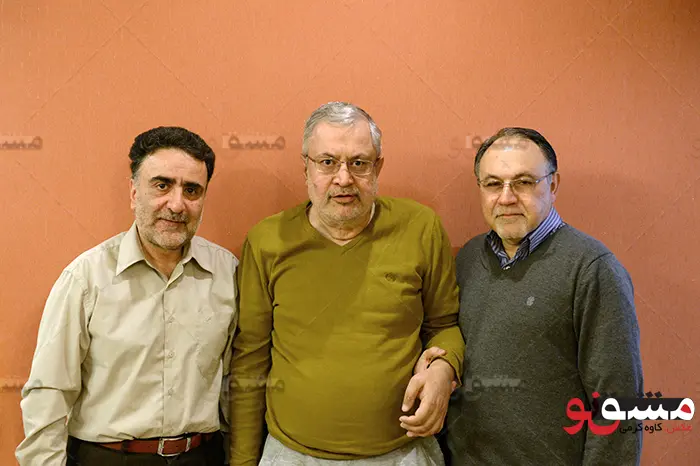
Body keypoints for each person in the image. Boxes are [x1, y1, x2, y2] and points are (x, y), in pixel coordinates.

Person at [229, 102, 465, 465]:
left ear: (378, 167)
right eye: (327, 162)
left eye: (358, 163)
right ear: (306, 168)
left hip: (403, 453)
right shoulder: (267, 241)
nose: (343, 179)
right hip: (292, 454)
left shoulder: (421, 227)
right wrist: (243, 462)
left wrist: (444, 370)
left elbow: (445, 326)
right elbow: (251, 360)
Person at [16, 126, 238, 466]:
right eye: (162, 185)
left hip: (202, 457)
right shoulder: (86, 278)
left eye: (192, 190)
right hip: (107, 458)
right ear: (134, 193)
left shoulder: (227, 273)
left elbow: (234, 386)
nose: (176, 204)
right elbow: (48, 392)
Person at [443, 127, 643, 465]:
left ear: (553, 185)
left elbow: (619, 402)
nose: (506, 197)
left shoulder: (592, 269)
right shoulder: (468, 259)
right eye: (493, 184)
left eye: (523, 182)